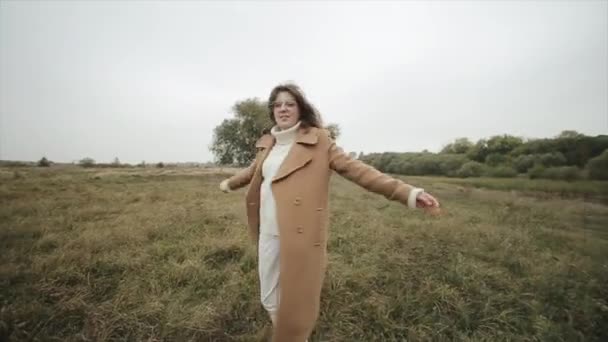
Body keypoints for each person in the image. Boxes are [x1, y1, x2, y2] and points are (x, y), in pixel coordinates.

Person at [219, 83, 440, 342]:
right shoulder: (268, 144)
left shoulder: (320, 140)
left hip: (298, 234)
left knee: (297, 297)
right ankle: (280, 324)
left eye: (290, 103)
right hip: (267, 229)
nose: (283, 109)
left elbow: (358, 170)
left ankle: (292, 335)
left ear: (300, 107)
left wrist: (407, 193)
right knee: (269, 293)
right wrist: (229, 183)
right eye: (277, 104)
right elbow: (253, 172)